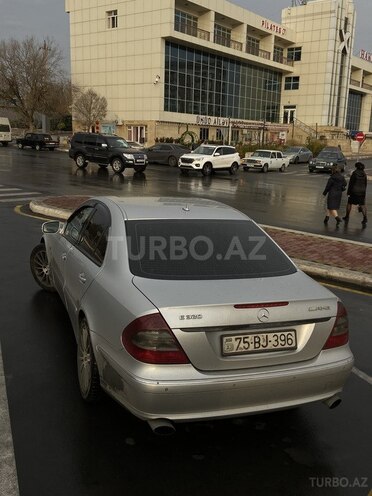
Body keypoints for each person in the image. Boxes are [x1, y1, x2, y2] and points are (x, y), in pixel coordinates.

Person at [343, 161, 368, 227]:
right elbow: (365, 184)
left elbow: (351, 184)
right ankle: (365, 218)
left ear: (356, 167)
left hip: (354, 191)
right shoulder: (364, 174)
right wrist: (364, 193)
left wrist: (348, 193)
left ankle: (347, 216)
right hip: (362, 192)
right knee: (362, 205)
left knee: (349, 203)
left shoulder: (354, 173)